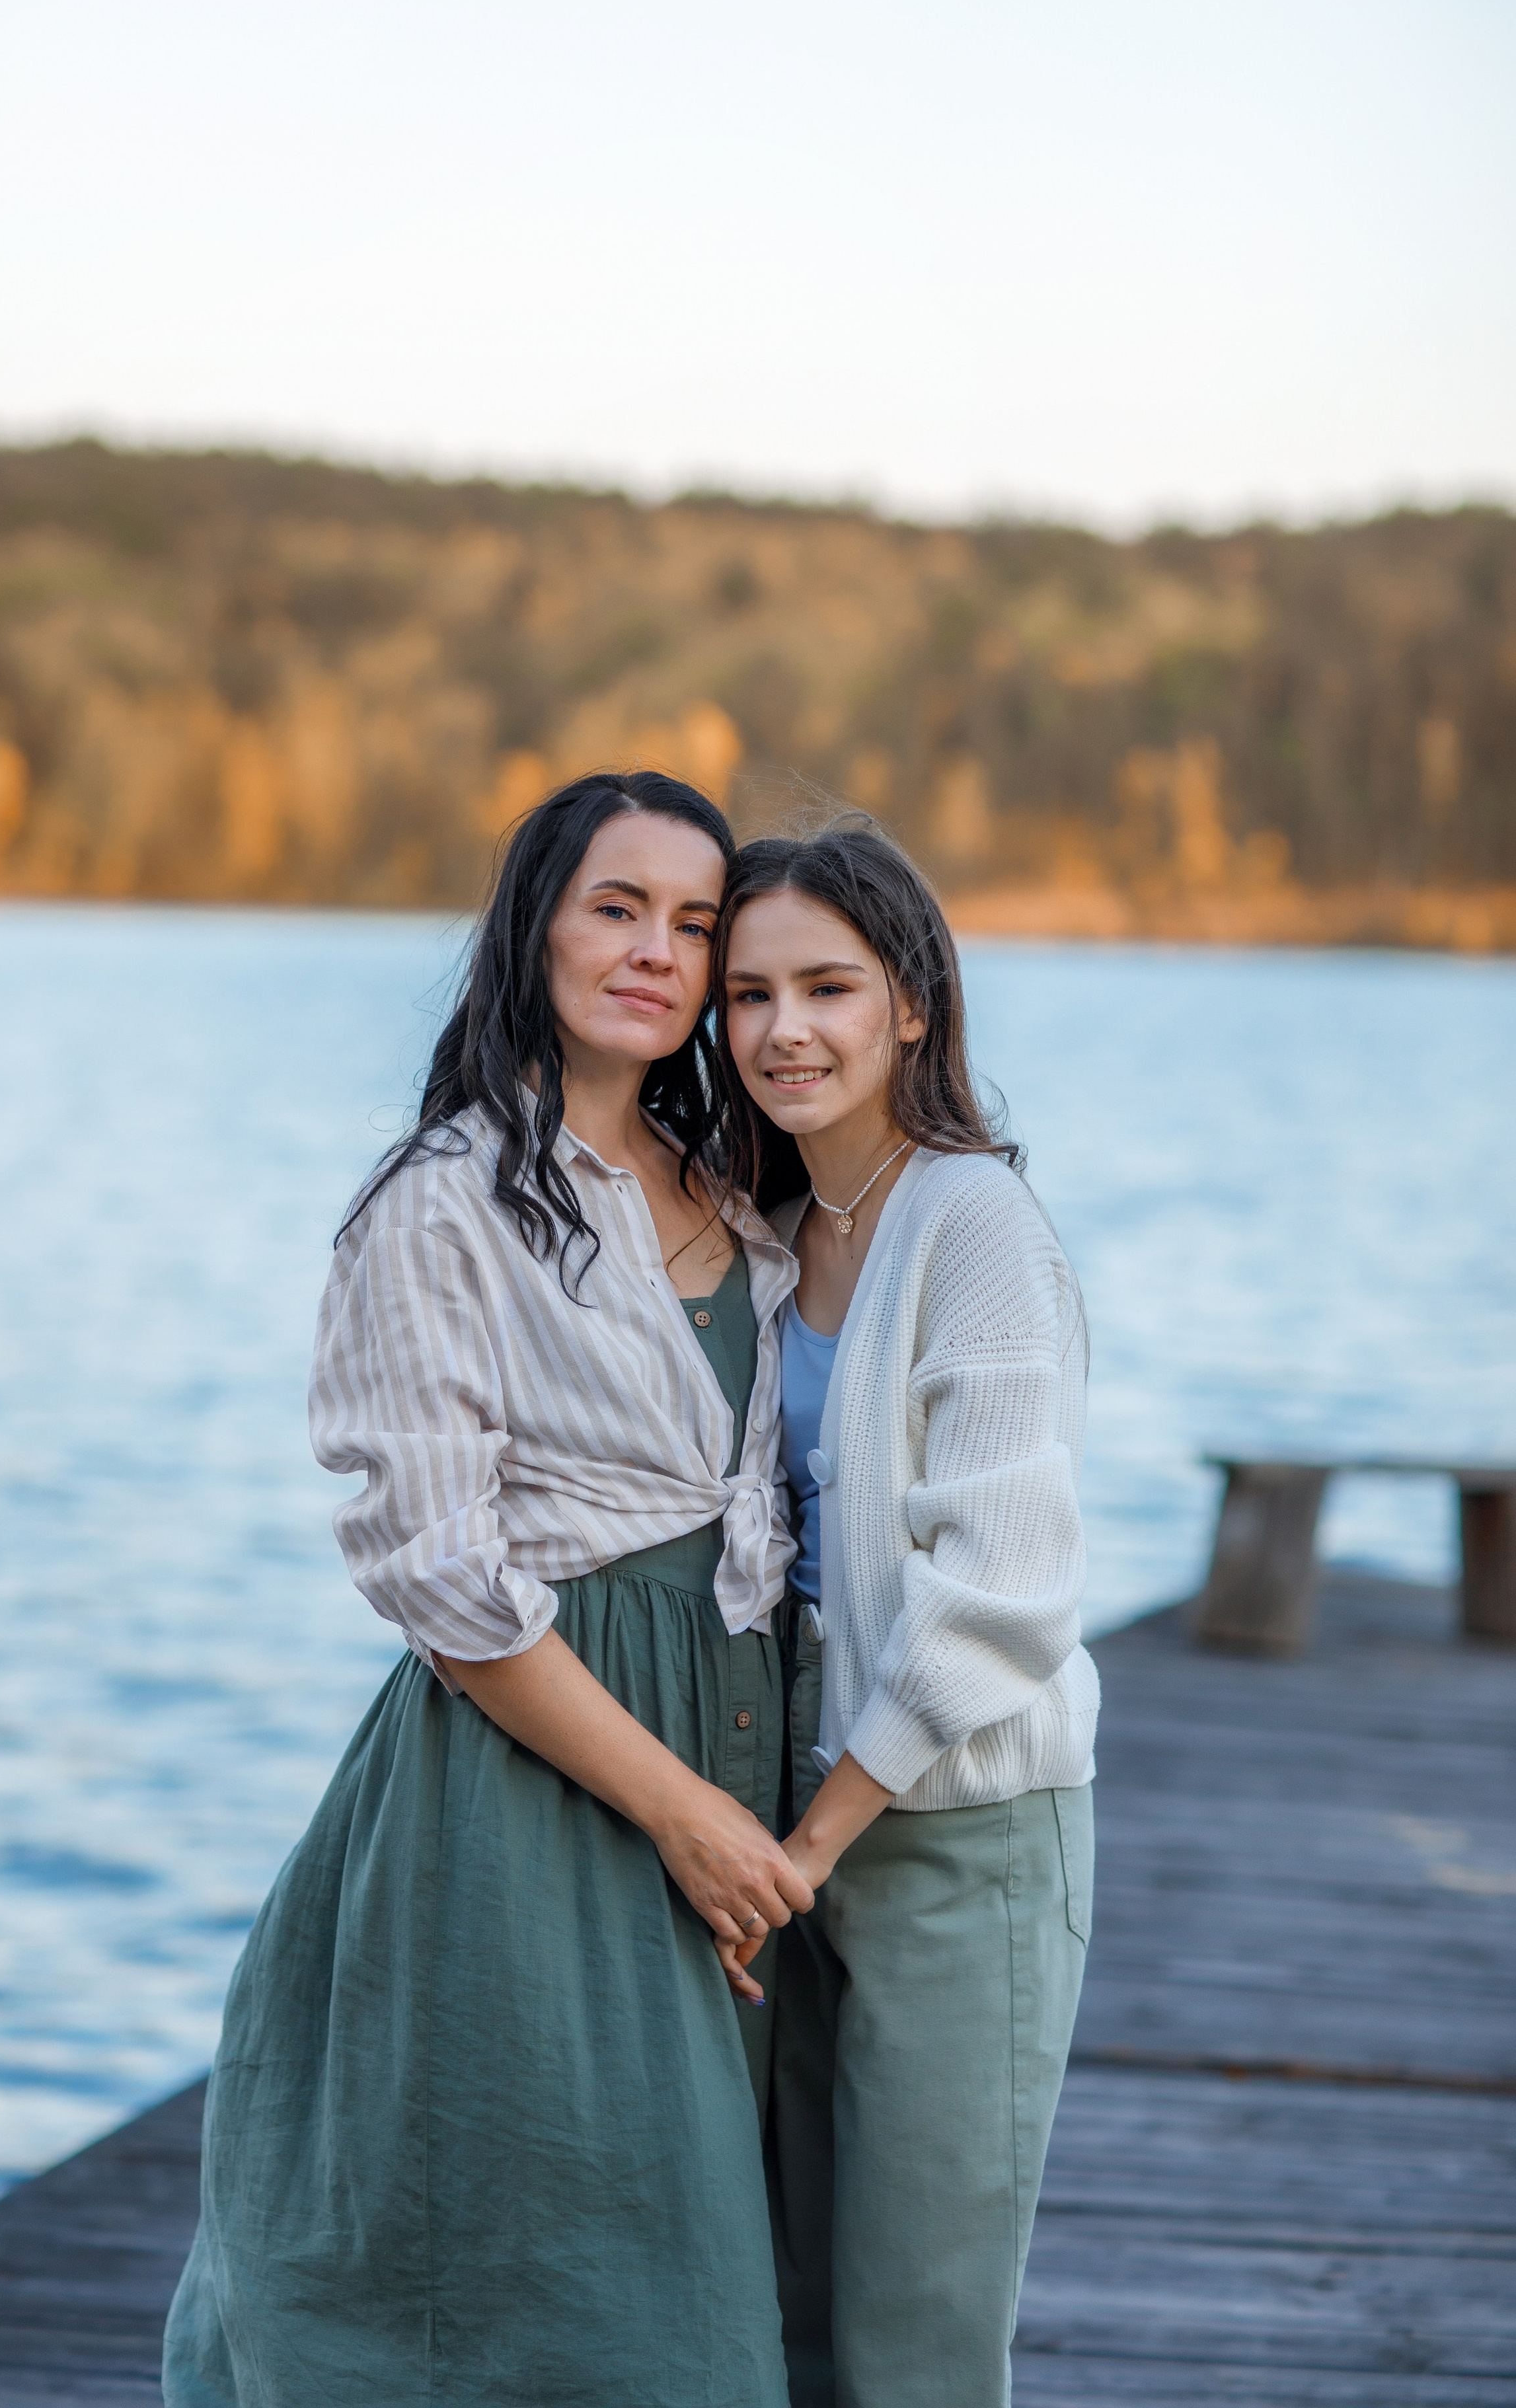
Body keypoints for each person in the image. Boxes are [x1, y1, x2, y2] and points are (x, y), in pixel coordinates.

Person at [163, 771, 813, 2408]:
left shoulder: (734, 1196)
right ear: (531, 924)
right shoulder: (440, 1205)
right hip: (542, 1791)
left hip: (731, 1750)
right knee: (591, 2298)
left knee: (706, 2248)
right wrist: (678, 1812)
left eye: (692, 924)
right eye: (616, 907)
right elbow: (444, 1584)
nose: (657, 953)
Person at [714, 822, 1098, 2408]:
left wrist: (807, 1847)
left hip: (950, 1834)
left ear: (911, 1005)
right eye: (746, 995)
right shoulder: (760, 1230)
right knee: (791, 2319)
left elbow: (1000, 1588)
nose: (782, 1030)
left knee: (916, 2345)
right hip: (784, 1823)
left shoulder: (973, 1224)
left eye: (826, 987)